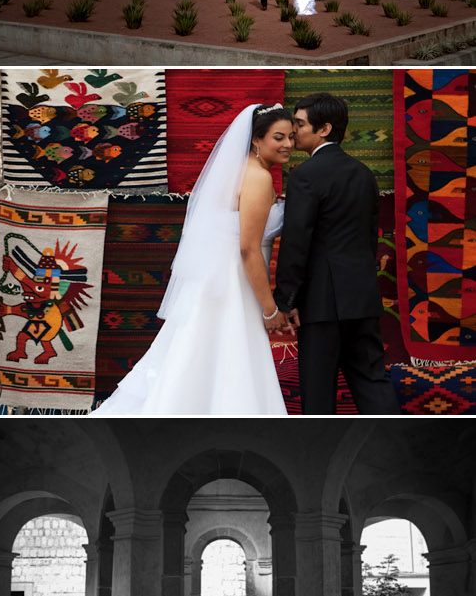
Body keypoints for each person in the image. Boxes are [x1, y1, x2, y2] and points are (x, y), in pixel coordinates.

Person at [91, 103, 295, 417]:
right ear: (256, 139)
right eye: (279, 137)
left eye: (292, 137)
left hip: (216, 280)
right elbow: (248, 249)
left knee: (200, 354)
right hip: (234, 282)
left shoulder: (236, 172)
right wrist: (269, 309)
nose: (288, 145)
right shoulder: (258, 178)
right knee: (225, 353)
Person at [275, 92, 398, 415]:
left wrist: (285, 299)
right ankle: (402, 449)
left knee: (318, 393)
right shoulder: (364, 173)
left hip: (321, 302)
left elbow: (296, 241)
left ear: (324, 129)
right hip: (362, 297)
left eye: (299, 124)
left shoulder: (305, 175)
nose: (293, 132)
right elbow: (369, 238)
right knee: (372, 382)